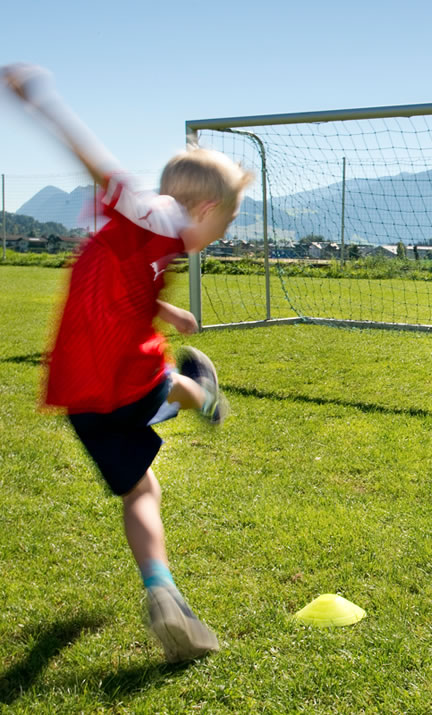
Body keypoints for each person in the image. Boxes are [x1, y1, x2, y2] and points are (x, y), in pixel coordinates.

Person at [2, 64, 253, 663]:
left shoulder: (146, 237)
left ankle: (161, 588)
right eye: (224, 225)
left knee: (142, 488)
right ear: (205, 207)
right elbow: (96, 164)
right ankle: (202, 392)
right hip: (123, 378)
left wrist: (167, 313)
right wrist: (42, 105)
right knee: (174, 386)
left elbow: (127, 278)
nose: (220, 236)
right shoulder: (153, 211)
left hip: (83, 399)